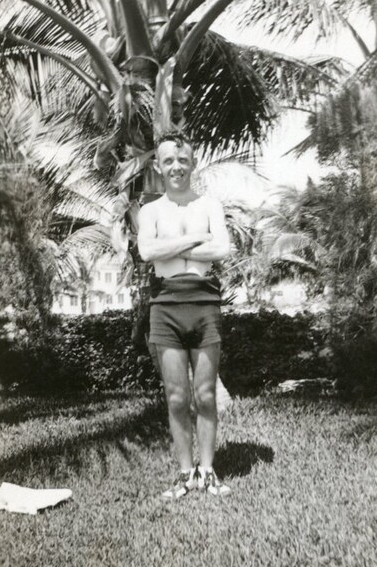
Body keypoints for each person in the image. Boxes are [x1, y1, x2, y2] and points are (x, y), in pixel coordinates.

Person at [137, 132, 231, 499]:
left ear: (192, 163)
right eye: (168, 161)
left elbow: (222, 248)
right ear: (158, 167)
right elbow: (147, 252)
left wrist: (170, 248)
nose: (176, 167)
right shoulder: (151, 211)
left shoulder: (209, 206)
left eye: (183, 160)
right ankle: (184, 473)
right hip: (166, 306)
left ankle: (207, 471)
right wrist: (195, 240)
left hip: (205, 304)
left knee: (205, 395)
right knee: (176, 398)